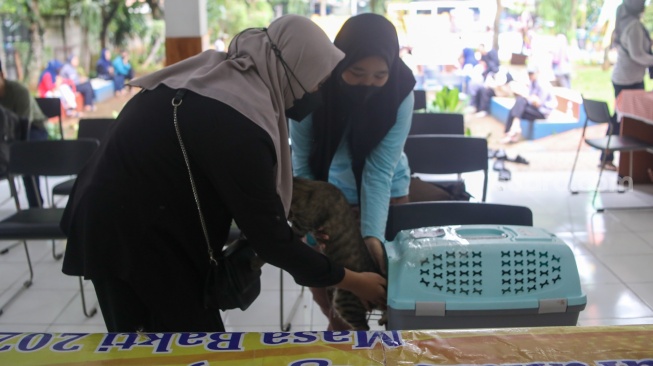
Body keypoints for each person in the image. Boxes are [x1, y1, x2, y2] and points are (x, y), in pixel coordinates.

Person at [60, 15, 386, 333]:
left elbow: (244, 197)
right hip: (128, 231)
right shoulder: (240, 120)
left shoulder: (222, 76)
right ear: (293, 68)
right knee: (182, 346)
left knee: (150, 342)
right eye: (316, 79)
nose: (316, 90)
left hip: (123, 214)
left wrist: (288, 229)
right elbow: (270, 241)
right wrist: (354, 281)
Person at [290, 13, 415, 330]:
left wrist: (372, 235)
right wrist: (309, 227)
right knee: (332, 294)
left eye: (379, 75)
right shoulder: (312, 87)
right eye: (356, 72)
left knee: (380, 295)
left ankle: (373, 343)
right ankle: (345, 342)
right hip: (326, 198)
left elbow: (379, 169)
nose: (368, 84)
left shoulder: (399, 93)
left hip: (387, 195)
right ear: (338, 61)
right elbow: (302, 161)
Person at [604, 0, 653, 171]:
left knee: (621, 118)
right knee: (622, 119)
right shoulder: (633, 27)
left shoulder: (626, 23)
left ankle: (610, 157)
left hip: (627, 77)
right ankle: (608, 157)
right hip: (627, 80)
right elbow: (637, 55)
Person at [0, 59, 48, 207]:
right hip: (7, 134)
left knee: (25, 155)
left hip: (33, 129)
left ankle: (36, 204)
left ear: (2, 75)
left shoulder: (19, 91)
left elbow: (24, 127)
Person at [500, 66, 556, 144]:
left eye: (532, 74)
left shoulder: (543, 84)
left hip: (542, 112)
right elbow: (530, 98)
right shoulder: (532, 83)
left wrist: (528, 97)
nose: (530, 75)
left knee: (519, 102)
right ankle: (512, 131)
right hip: (534, 108)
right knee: (515, 107)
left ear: (537, 73)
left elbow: (538, 103)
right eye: (529, 73)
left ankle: (514, 129)